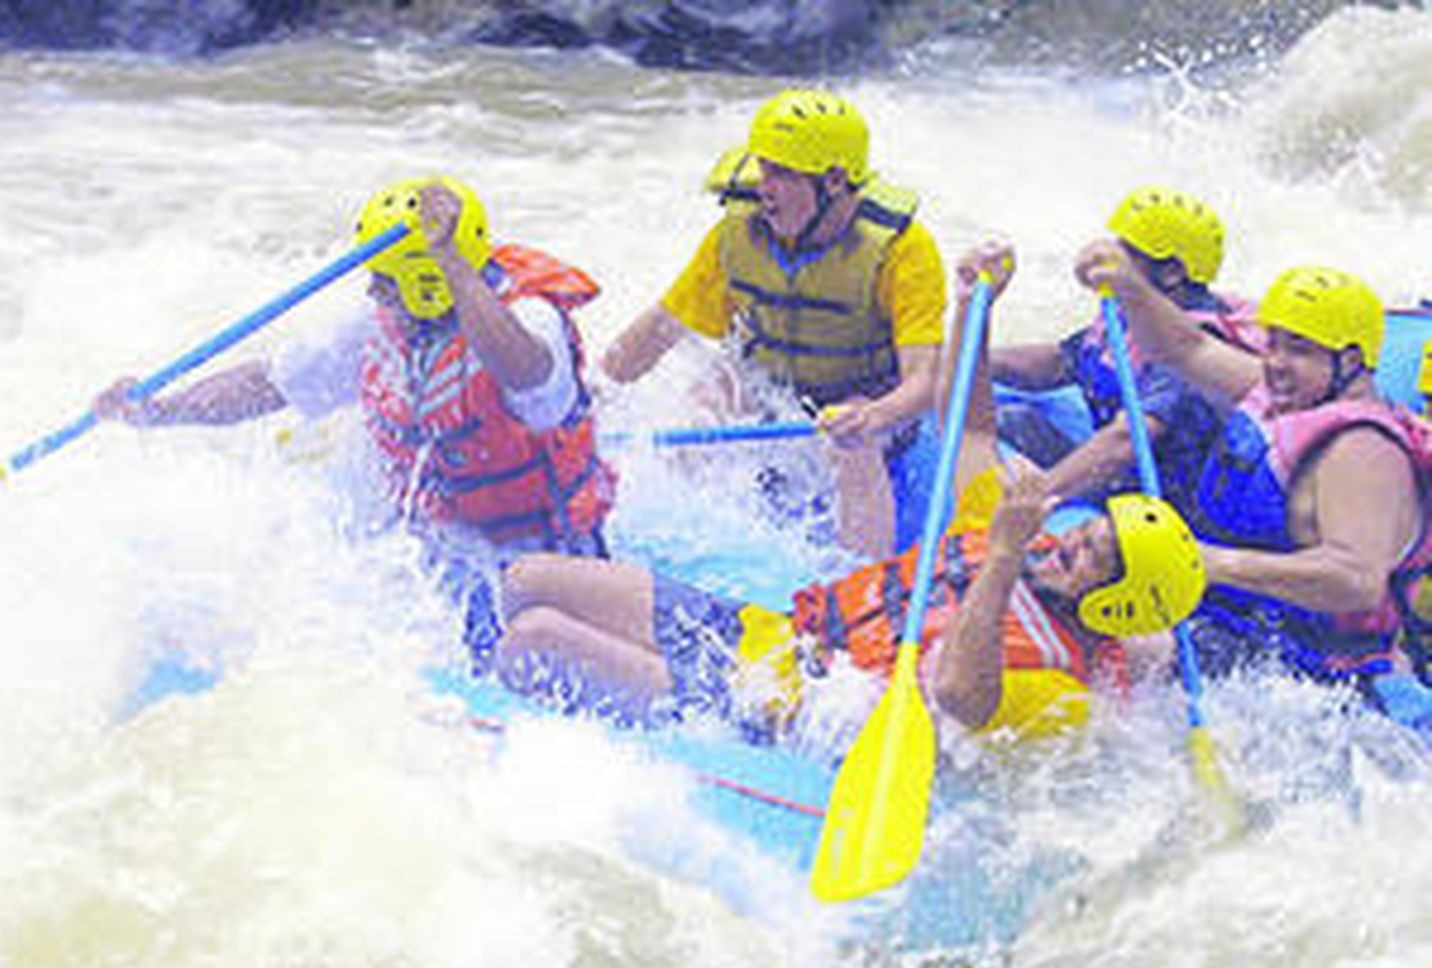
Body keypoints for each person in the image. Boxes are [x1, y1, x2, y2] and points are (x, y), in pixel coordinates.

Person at [496, 244, 1207, 742]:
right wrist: (977, 303)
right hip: (776, 635)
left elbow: (961, 698)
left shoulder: (1055, 686)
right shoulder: (1023, 547)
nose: (1068, 542)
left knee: (535, 638)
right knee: (525, 581)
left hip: (783, 708)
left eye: (1088, 555)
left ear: (1109, 604)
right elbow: (974, 428)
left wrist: (1001, 559)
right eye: (1085, 531)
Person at [93, 176, 617, 561]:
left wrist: (450, 262)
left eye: (385, 280)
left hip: (552, 562)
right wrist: (156, 411)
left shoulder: (531, 318)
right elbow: (268, 385)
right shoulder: (382, 328)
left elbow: (521, 371)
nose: (372, 292)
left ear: (426, 281)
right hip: (437, 558)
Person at [599, 88, 948, 558]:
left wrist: (873, 416)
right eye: (764, 167)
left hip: (865, 397)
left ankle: (860, 582)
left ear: (834, 181)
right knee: (704, 399)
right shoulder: (738, 233)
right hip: (774, 387)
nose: (765, 187)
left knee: (854, 440)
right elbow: (663, 326)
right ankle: (689, 545)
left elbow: (924, 383)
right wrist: (588, 393)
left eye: (783, 174)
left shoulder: (902, 251)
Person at [1079, 248, 1430, 697]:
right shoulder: (1293, 393)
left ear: (1351, 360)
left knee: (1101, 656)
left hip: (1308, 669)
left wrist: (1209, 563)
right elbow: (1186, 348)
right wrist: (1129, 284)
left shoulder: (1362, 450)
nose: (1276, 363)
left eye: (1298, 349)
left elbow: (1356, 580)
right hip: (1230, 622)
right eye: (1274, 343)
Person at [989, 185, 1263, 511]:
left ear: (1173, 272)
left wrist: (1036, 498)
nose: (1114, 256)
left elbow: (1126, 441)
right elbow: (1061, 363)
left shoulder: (1190, 350)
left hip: (1162, 500)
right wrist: (973, 357)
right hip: (1121, 473)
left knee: (1007, 428)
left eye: (1128, 252)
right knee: (1010, 419)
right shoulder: (1130, 311)